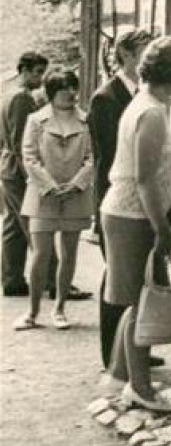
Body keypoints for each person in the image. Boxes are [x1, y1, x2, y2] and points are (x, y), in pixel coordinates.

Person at [101, 37, 171, 412]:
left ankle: (123, 378)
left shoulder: (147, 105)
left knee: (136, 301)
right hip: (133, 216)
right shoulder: (151, 113)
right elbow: (145, 179)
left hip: (132, 214)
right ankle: (140, 388)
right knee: (142, 302)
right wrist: (162, 228)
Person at [88, 28, 154, 368]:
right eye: (145, 50)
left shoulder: (143, 95)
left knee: (137, 277)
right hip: (117, 200)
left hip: (138, 204)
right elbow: (111, 156)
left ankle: (137, 349)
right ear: (126, 55)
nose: (150, 55)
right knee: (117, 277)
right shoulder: (106, 98)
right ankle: (112, 353)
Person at [15, 69, 94, 331]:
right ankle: (33, 311)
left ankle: (60, 308)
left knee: (70, 253)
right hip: (42, 196)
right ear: (52, 93)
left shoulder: (86, 121)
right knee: (40, 254)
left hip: (75, 196)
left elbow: (93, 157)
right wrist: (48, 186)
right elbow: (29, 156)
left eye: (73, 87)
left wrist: (76, 184)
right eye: (64, 88)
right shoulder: (36, 120)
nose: (71, 93)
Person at [2, 52, 48, 296]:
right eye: (37, 72)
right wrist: (33, 177)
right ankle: (52, 280)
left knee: (13, 225)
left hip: (8, 167)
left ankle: (12, 279)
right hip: (19, 170)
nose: (41, 78)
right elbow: (22, 142)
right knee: (36, 224)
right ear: (25, 70)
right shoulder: (21, 98)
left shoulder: (9, 93)